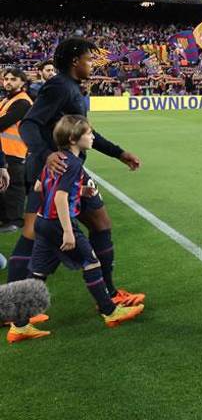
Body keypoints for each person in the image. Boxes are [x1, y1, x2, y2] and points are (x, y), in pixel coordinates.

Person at [8, 38, 144, 311]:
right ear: (75, 61)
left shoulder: (71, 88)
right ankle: (12, 309)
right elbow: (29, 125)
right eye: (89, 59)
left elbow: (86, 133)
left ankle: (109, 291)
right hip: (52, 170)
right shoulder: (59, 86)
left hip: (69, 169)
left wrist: (118, 153)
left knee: (99, 223)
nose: (92, 64)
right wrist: (47, 155)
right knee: (33, 234)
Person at [8, 115, 143, 342]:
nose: (92, 137)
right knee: (91, 262)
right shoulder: (72, 163)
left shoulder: (54, 159)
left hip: (42, 222)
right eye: (88, 133)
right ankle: (110, 312)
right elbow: (60, 197)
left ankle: (19, 325)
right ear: (73, 138)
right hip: (58, 223)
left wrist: (79, 192)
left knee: (38, 272)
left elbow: (42, 186)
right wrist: (69, 231)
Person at [1, 68, 33, 232]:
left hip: (14, 150)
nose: (8, 82)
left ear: (22, 82)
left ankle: (15, 221)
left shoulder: (23, 102)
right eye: (6, 79)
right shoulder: (7, 100)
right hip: (4, 151)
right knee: (4, 185)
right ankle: (6, 218)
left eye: (13, 79)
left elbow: (3, 123)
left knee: (14, 186)